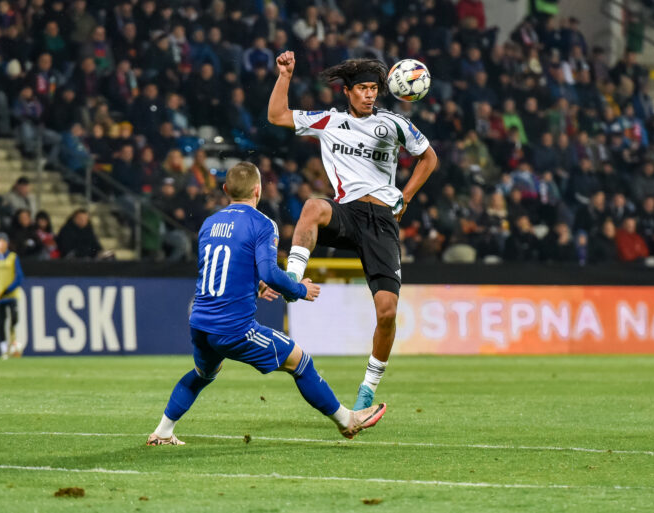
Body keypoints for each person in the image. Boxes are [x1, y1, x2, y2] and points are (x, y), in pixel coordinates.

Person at [147, 162, 386, 445]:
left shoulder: (209, 223)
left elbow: (218, 270)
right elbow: (270, 273)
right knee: (301, 362)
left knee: (203, 373)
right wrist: (299, 289)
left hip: (200, 322)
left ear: (225, 189)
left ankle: (162, 432)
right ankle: (348, 421)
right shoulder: (262, 223)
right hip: (233, 328)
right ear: (258, 191)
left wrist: (253, 287)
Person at [267, 52, 439, 410]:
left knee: (388, 312)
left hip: (382, 223)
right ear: (347, 91)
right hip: (348, 212)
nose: (369, 95)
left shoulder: (393, 124)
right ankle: (291, 281)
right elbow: (277, 116)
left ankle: (368, 388)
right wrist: (284, 75)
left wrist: (405, 197)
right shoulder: (329, 120)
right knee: (314, 207)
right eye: (362, 88)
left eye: (374, 89)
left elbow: (429, 158)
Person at [0, 233, 24, 359]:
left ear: (7, 243)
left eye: (3, 241)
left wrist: (7, 289)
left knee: (14, 317)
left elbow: (19, 276)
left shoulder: (13, 257)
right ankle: (4, 349)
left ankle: (13, 341)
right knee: (1, 322)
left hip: (11, 295)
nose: (0, 244)